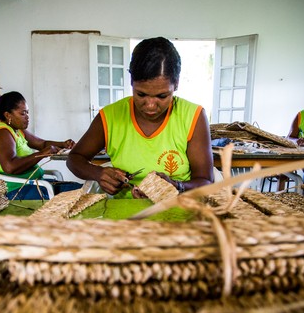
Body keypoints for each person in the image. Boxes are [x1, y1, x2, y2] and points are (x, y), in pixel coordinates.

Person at [66, 37, 214, 198]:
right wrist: (98, 173)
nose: (150, 105)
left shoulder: (193, 116)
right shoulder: (109, 117)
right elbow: (74, 158)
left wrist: (177, 187)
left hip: (177, 211)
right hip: (125, 215)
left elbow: (206, 181)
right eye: (141, 94)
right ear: (131, 81)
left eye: (162, 96)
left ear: (176, 84)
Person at [0, 91, 79, 200]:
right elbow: (10, 167)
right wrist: (42, 154)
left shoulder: (17, 130)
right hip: (18, 190)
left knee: (79, 189)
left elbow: (42, 144)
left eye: (27, 112)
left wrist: (63, 144)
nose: (27, 117)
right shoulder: (2, 133)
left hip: (33, 184)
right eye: (23, 113)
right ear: (7, 115)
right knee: (79, 193)